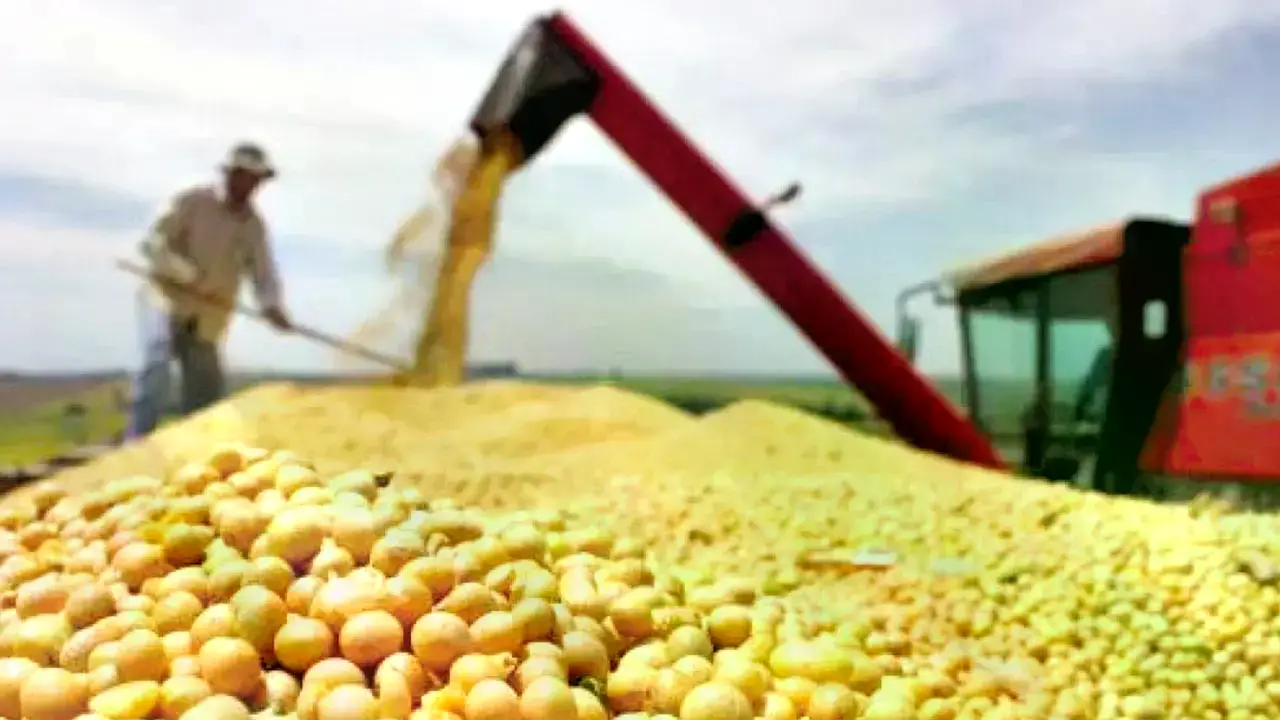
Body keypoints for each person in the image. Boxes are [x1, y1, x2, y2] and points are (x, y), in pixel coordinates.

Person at [125, 142, 293, 439]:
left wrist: (272, 306)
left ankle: (199, 456)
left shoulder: (253, 226)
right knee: (157, 365)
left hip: (208, 315)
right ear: (231, 174)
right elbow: (152, 244)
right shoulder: (192, 202)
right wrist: (186, 275)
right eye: (245, 177)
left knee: (205, 393)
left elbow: (263, 273)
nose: (250, 185)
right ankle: (135, 445)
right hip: (165, 299)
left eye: (257, 180)